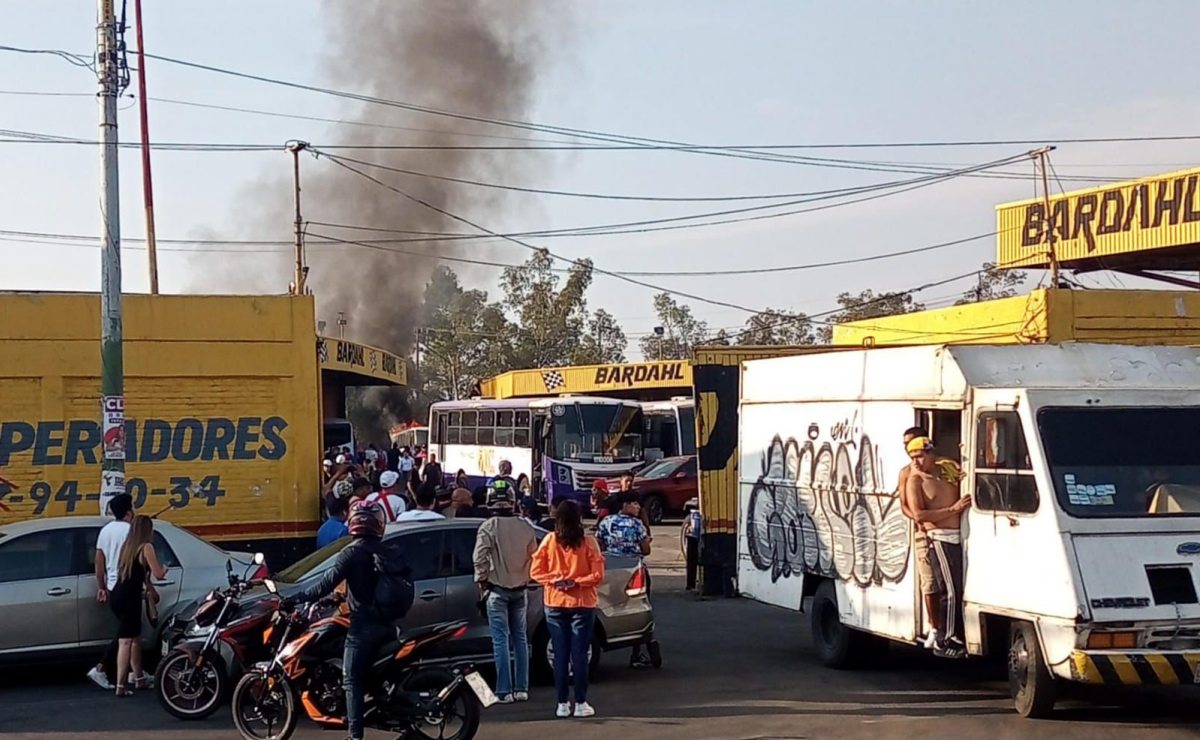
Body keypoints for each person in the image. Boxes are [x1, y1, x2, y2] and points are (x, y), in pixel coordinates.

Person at [293, 500, 398, 740]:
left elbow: (323, 584)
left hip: (363, 627)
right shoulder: (386, 550)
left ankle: (355, 735)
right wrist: (335, 597)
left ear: (353, 522)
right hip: (389, 626)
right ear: (379, 524)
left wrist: (295, 598)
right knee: (368, 676)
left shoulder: (352, 553)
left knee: (351, 679)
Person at [529, 500, 605, 719]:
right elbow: (598, 575)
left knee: (560, 656)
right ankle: (581, 702)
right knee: (580, 655)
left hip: (554, 602)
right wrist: (577, 581)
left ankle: (562, 703)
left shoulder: (549, 541)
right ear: (579, 518)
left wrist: (554, 580)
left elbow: (535, 571)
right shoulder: (589, 542)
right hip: (582, 603)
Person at [904, 436, 971, 659]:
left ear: (931, 454)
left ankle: (954, 634)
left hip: (960, 536)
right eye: (912, 458)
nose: (916, 462)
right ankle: (946, 638)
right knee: (950, 590)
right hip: (938, 537)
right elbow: (919, 514)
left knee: (958, 588)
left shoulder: (946, 469)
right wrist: (953, 510)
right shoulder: (915, 480)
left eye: (920, 456)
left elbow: (964, 477)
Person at [895, 426, 959, 648]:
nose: (908, 450)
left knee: (948, 583)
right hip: (927, 534)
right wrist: (921, 520)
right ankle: (935, 628)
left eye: (912, 444)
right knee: (931, 583)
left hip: (951, 533)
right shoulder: (908, 474)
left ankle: (943, 630)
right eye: (906, 446)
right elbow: (906, 505)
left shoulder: (945, 467)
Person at [474, 498, 538, 703]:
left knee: (500, 641)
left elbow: (479, 557)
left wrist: (482, 580)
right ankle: (522, 689)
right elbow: (534, 557)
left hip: (497, 591)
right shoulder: (525, 527)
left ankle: (504, 692)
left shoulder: (488, 526)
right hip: (521, 590)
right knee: (520, 639)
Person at [111, 515, 169, 696]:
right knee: (126, 641)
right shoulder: (147, 547)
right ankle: (120, 686)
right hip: (130, 598)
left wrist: (149, 588)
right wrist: (164, 568)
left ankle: (139, 678)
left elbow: (139, 574)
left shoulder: (128, 546)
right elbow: (159, 573)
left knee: (135, 638)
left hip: (118, 595)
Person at [596, 492, 654, 668]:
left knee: (611, 606)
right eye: (634, 504)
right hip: (633, 570)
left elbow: (599, 545)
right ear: (624, 505)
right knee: (636, 607)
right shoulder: (637, 524)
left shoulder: (606, 522)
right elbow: (646, 551)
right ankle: (636, 652)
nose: (637, 507)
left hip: (612, 569)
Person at [88, 493, 134, 690]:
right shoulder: (130, 531)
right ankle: (101, 668)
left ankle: (136, 673)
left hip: (112, 587)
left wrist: (102, 587)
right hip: (127, 586)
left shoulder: (105, 531)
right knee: (126, 634)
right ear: (129, 511)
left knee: (132, 632)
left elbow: (99, 562)